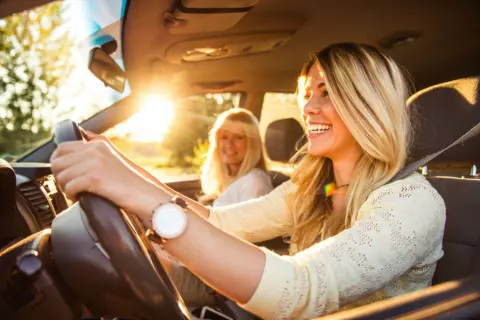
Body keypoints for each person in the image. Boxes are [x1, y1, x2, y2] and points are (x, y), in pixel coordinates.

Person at [50, 43, 446, 319]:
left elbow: (300, 290)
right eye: (307, 93)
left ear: (368, 102)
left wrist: (143, 199)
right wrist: (121, 165)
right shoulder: (315, 188)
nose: (308, 107)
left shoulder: (413, 202)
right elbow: (221, 222)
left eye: (327, 92)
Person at [199, 108, 273, 207]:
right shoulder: (228, 180)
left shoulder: (254, 182)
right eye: (224, 137)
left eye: (238, 137)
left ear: (252, 143)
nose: (229, 144)